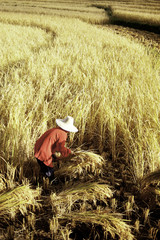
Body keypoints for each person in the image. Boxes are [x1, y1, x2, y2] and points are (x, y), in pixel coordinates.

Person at [34, 116, 78, 184]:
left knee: (44, 167)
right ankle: (51, 185)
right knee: (49, 171)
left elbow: (50, 143)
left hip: (38, 148)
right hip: (44, 152)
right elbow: (60, 147)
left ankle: (40, 179)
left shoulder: (55, 130)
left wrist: (53, 156)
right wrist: (69, 152)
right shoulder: (63, 134)